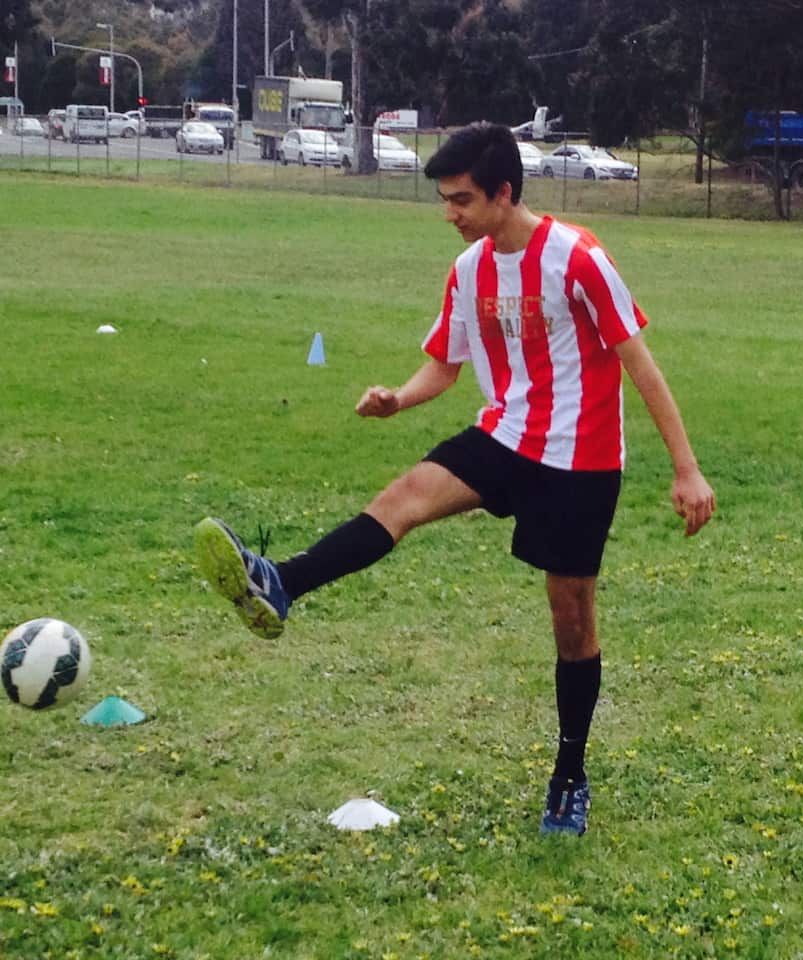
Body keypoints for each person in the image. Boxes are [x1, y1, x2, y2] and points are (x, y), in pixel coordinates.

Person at [194, 121, 716, 837]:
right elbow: (445, 362)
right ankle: (281, 582)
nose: (450, 214)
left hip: (580, 459)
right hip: (504, 435)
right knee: (402, 499)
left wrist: (687, 470)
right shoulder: (470, 269)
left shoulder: (578, 258)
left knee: (572, 625)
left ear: (504, 193)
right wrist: (399, 399)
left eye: (462, 199)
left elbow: (640, 365)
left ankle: (569, 777)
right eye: (444, 200)